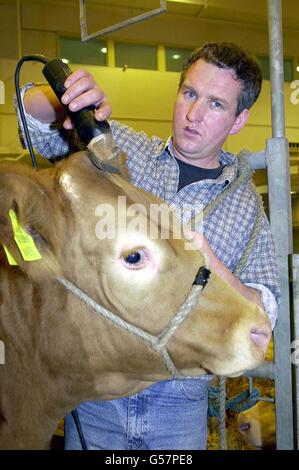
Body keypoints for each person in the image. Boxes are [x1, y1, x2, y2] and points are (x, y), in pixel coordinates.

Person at [17, 42, 280, 450]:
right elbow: (30, 117)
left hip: (179, 408)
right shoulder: (115, 151)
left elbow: (265, 309)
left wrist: (206, 259)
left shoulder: (245, 205)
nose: (193, 114)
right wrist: (64, 95)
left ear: (239, 119)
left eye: (215, 104)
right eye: (189, 93)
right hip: (98, 396)